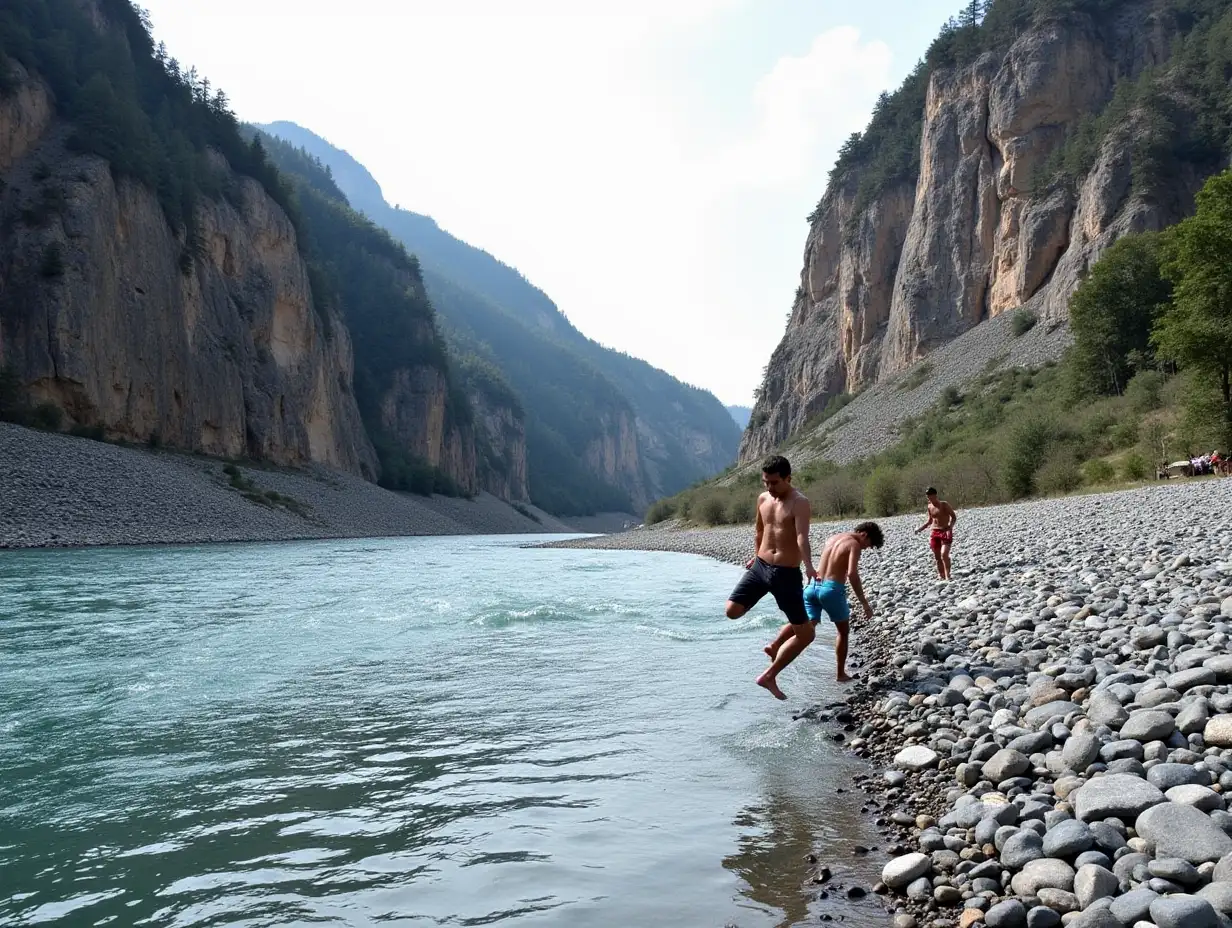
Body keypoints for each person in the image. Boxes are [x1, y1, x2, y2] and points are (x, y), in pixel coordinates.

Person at [724, 455, 814, 700]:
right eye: (765, 482)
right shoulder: (763, 498)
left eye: (774, 483)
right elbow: (760, 530)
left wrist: (809, 566)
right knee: (731, 611)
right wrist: (755, 557)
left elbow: (801, 538)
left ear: (788, 478)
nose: (769, 488)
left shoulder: (799, 502)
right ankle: (774, 644)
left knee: (807, 634)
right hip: (761, 567)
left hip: (786, 574)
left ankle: (770, 675)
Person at [762, 522, 884, 685]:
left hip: (812, 586)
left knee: (804, 624)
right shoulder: (854, 544)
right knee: (843, 632)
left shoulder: (833, 538)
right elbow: (853, 574)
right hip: (831, 590)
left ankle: (775, 644)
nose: (866, 548)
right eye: (868, 545)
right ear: (864, 535)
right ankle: (840, 674)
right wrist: (864, 603)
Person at [915, 487, 956, 580]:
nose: (929, 497)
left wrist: (951, 526)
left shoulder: (944, 504)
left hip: (945, 530)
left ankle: (948, 575)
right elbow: (930, 521)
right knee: (937, 557)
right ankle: (941, 575)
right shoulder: (929, 506)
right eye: (928, 496)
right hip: (934, 532)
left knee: (944, 554)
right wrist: (919, 529)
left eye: (931, 495)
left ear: (935, 495)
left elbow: (953, 517)